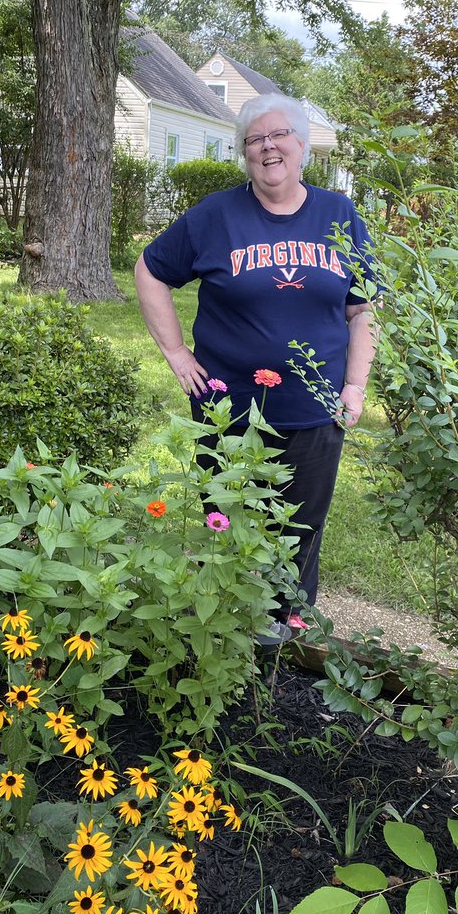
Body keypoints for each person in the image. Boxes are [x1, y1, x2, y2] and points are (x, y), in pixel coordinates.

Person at [135, 93, 379, 640]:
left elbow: (362, 309)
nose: (268, 146)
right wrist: (176, 353)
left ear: (301, 146)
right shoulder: (216, 215)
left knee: (300, 528)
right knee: (227, 522)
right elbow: (150, 270)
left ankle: (284, 631)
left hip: (315, 406)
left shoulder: (338, 214)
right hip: (228, 407)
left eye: (279, 136)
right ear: (245, 152)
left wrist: (356, 386)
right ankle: (221, 625)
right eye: (254, 139)